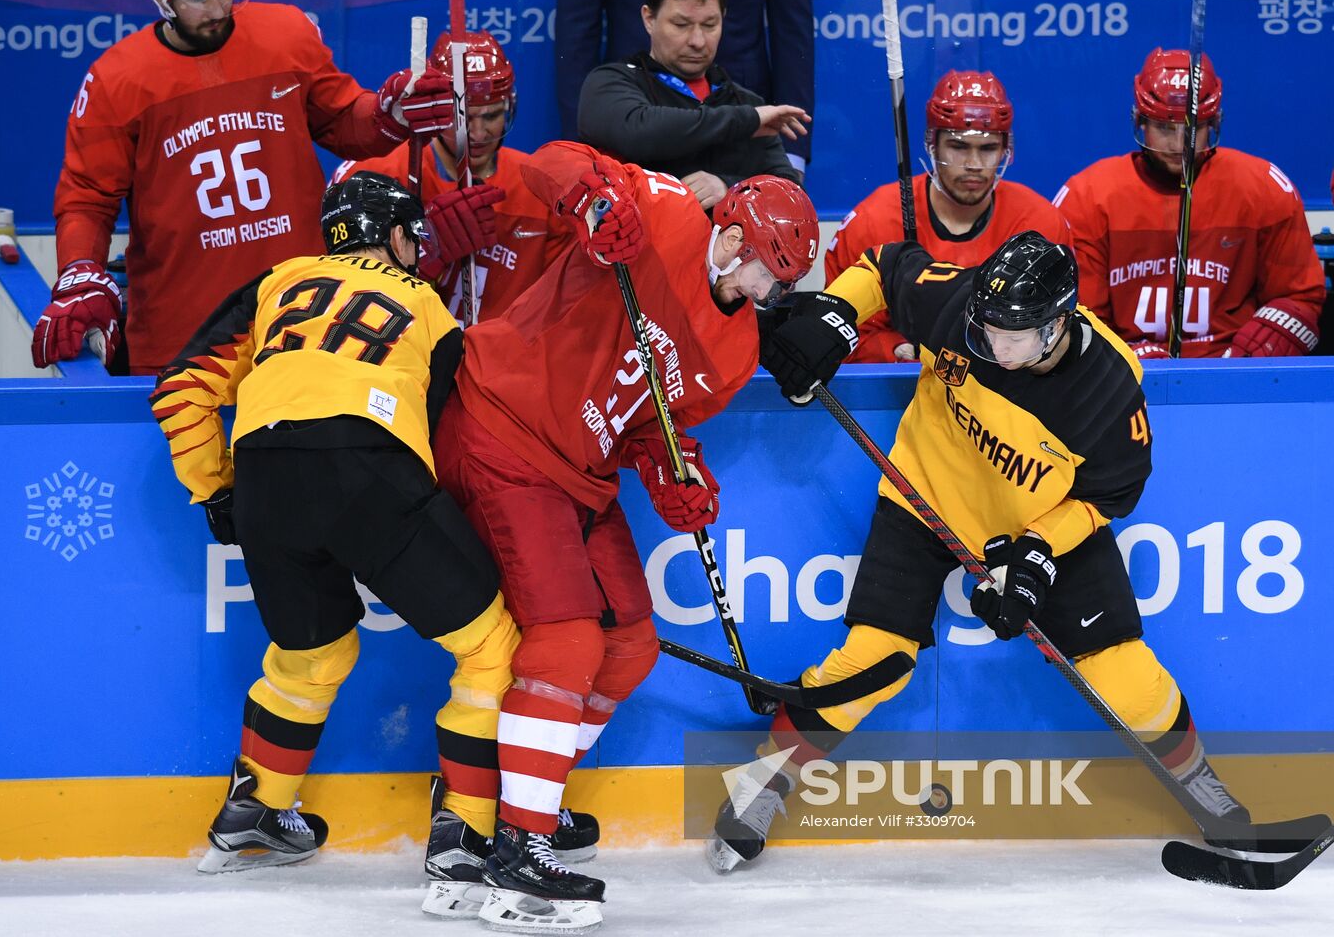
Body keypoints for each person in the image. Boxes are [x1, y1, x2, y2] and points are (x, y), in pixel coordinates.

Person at [716, 231, 1251, 872]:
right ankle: (761, 783)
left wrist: (1036, 554)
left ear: (1058, 325)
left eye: (1013, 336)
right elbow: (884, 267)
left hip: (1036, 522)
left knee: (1126, 679)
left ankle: (1209, 797)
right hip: (926, 498)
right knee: (872, 665)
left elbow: (1109, 495)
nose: (992, 346)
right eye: (986, 328)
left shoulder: (1109, 390)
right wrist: (837, 314)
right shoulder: (962, 303)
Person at [430, 141, 818, 926]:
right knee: (568, 640)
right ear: (738, 237)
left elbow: (650, 425)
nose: (770, 293)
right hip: (504, 428)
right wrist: (592, 202)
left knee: (631, 641)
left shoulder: (738, 349)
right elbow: (555, 159)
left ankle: (514, 801)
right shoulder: (667, 210)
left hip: (579, 470)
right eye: (768, 274)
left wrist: (678, 473)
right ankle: (519, 845)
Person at [149, 172, 519, 875]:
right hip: (367, 464)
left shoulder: (278, 280)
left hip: (263, 471)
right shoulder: (430, 306)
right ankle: (465, 833)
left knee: (312, 655)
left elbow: (179, 388)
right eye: (415, 237)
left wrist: (218, 490)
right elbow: (450, 438)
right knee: (489, 647)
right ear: (397, 237)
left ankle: (254, 810)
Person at [37, 0, 453, 376]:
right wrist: (81, 269)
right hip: (184, 331)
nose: (218, 8)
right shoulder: (116, 80)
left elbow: (344, 121)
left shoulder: (287, 34)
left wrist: (389, 113)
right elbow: (87, 198)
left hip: (305, 315)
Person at [1054, 48, 1324, 359]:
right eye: (1164, 128)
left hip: (1234, 373)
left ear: (1215, 123)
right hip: (1122, 379)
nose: (1179, 145)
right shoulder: (1087, 196)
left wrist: (1250, 359)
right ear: (1140, 121)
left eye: (1194, 129)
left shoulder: (1265, 188)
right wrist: (1124, 362)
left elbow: (1300, 297)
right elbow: (1075, 318)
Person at [824, 70, 1072, 362]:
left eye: (989, 148)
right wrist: (894, 349)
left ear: (1006, 149)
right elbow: (838, 329)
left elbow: (1063, 330)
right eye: (958, 147)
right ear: (932, 144)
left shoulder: (1040, 223)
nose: (974, 164)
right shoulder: (872, 220)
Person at [332, 31, 573, 324]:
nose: (480, 133)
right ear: (439, 109)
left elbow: (563, 306)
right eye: (464, 118)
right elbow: (342, 294)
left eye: (492, 115)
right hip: (410, 359)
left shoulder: (537, 185)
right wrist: (425, 248)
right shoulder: (383, 176)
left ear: (510, 106)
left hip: (505, 363)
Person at [556, 0, 814, 174]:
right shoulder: (608, 90)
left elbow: (792, 23)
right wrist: (580, 158)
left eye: (710, 24)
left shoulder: (753, 108)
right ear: (649, 18)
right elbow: (577, 23)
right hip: (640, 99)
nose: (697, 41)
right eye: (681, 24)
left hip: (741, 105)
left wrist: (730, 185)